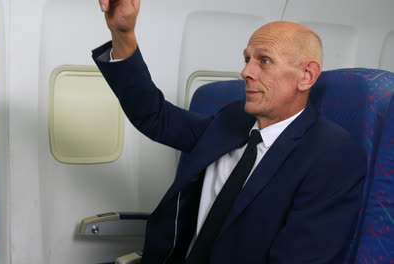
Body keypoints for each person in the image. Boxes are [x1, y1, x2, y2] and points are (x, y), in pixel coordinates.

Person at [93, 0, 366, 263]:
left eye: (265, 61)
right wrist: (123, 34)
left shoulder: (333, 156)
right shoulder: (233, 118)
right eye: (247, 59)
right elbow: (155, 116)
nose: (245, 71)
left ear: (306, 76)